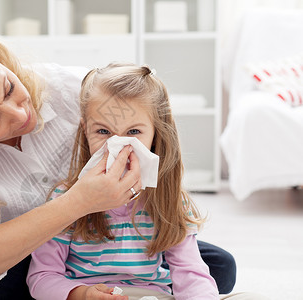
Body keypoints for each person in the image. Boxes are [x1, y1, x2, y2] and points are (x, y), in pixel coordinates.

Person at [0, 22, 235, 299]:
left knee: (218, 267)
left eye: (9, 88)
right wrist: (76, 203)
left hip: (98, 241)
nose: (20, 114)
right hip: (20, 257)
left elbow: (148, 125)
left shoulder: (75, 92)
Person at [27, 63, 266, 300]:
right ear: (85, 130)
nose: (118, 146)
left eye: (133, 132)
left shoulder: (168, 201)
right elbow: (42, 278)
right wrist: (82, 294)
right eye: (103, 132)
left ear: (155, 134)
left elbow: (191, 274)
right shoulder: (65, 199)